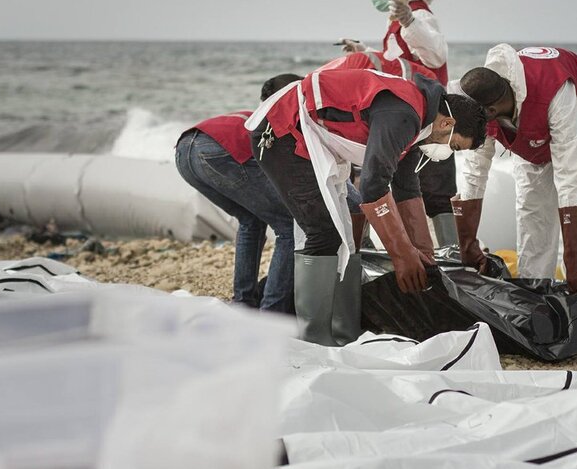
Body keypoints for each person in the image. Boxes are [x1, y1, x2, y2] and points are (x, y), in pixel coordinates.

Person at [245, 68, 486, 345]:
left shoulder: (420, 122)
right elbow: (372, 184)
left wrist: (422, 253)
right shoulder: (405, 115)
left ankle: (345, 332)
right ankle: (315, 341)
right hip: (281, 132)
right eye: (454, 146)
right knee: (323, 232)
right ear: (447, 123)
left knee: (353, 227)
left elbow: (406, 186)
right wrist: (400, 254)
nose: (446, 153)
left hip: (314, 140)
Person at [452, 45, 577, 294]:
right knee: (532, 203)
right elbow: (475, 172)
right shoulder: (481, 105)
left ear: (491, 112)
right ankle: (534, 287)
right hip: (528, 119)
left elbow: (571, 176)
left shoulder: (556, 95)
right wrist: (467, 243)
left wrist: (574, 258)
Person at [340, 0, 458, 248]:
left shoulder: (419, 14)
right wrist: (364, 50)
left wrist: (409, 20)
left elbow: (436, 55)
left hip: (427, 111)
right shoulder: (399, 18)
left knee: (435, 189)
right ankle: (420, 254)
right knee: (406, 181)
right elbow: (399, 63)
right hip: (408, 113)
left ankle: (450, 257)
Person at [174, 73, 301, 312]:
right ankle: (272, 312)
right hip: (217, 152)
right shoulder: (282, 119)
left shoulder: (250, 114)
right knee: (289, 224)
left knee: (250, 219)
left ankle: (244, 302)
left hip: (184, 151)